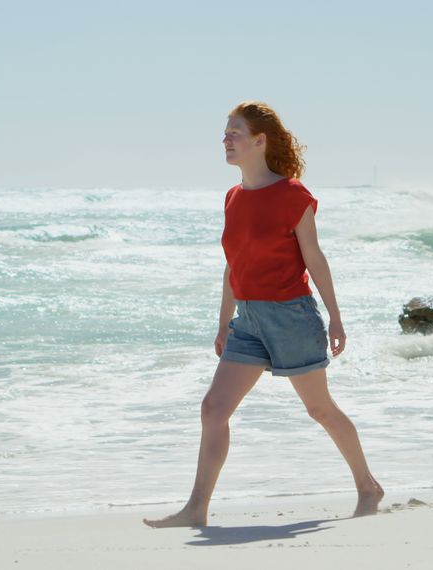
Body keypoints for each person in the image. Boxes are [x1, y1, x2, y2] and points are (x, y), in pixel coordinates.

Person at [143, 101, 384, 528]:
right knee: (213, 409)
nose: (226, 139)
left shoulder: (293, 195)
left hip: (291, 316)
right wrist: (224, 322)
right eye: (225, 132)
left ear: (259, 140)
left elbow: (314, 257)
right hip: (248, 320)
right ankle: (196, 509)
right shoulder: (233, 198)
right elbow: (233, 265)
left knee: (320, 410)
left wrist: (336, 317)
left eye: (235, 132)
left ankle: (368, 486)